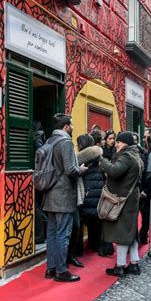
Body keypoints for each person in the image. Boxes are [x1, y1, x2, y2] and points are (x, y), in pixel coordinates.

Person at [43, 114, 87, 282]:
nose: (73, 127)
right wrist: (81, 169)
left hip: (50, 194)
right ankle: (61, 271)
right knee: (63, 234)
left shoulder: (49, 141)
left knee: (52, 233)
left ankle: (51, 268)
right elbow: (70, 170)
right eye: (72, 124)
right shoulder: (66, 142)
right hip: (63, 195)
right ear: (67, 126)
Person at [100, 132, 142, 277]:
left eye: (118, 142)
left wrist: (102, 160)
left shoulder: (126, 156)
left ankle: (120, 266)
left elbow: (114, 171)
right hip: (131, 198)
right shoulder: (135, 155)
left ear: (124, 143)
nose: (116, 144)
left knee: (122, 232)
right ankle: (134, 263)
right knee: (131, 231)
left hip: (123, 199)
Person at [75, 134, 109, 255]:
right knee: (97, 222)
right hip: (98, 193)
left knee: (81, 221)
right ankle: (97, 245)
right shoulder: (99, 157)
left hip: (86, 193)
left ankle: (79, 250)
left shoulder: (79, 159)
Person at [138, 128, 151, 244]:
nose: (145, 139)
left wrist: (146, 189)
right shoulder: (145, 150)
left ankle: (143, 234)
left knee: (146, 214)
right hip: (141, 186)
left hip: (147, 188)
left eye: (146, 137)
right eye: (144, 137)